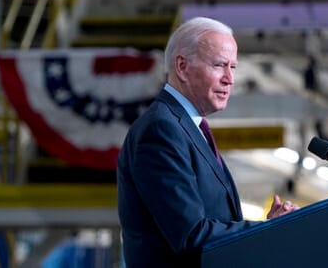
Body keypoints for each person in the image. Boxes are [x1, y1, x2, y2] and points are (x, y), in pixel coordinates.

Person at [117, 16, 298, 267]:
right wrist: (265, 230)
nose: (229, 78)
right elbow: (191, 235)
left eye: (233, 67)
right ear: (182, 66)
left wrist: (267, 229)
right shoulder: (161, 130)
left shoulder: (186, 128)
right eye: (219, 65)